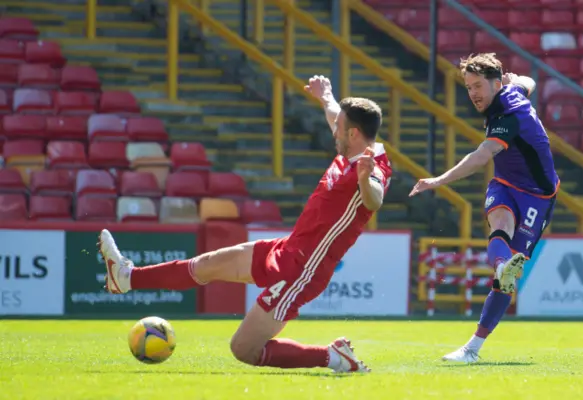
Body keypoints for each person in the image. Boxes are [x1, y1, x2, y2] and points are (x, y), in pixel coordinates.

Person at [99, 75, 392, 373]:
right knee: (206, 265)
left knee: (243, 349)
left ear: (353, 133)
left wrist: (365, 179)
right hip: (286, 249)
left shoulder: (373, 166)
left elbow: (374, 200)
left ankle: (333, 357)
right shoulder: (350, 146)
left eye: (339, 129)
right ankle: (126, 278)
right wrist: (326, 96)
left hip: (302, 270)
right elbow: (334, 116)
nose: (334, 133)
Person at [409, 53, 559, 363]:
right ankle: (502, 267)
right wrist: (516, 81)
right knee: (499, 224)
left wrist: (439, 180)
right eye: (468, 86)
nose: (473, 93)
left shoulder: (508, 116)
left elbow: (481, 156)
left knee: (506, 282)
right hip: (505, 183)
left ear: (494, 84)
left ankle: (474, 346)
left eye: (478, 86)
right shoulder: (511, 92)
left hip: (538, 197)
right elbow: (528, 81)